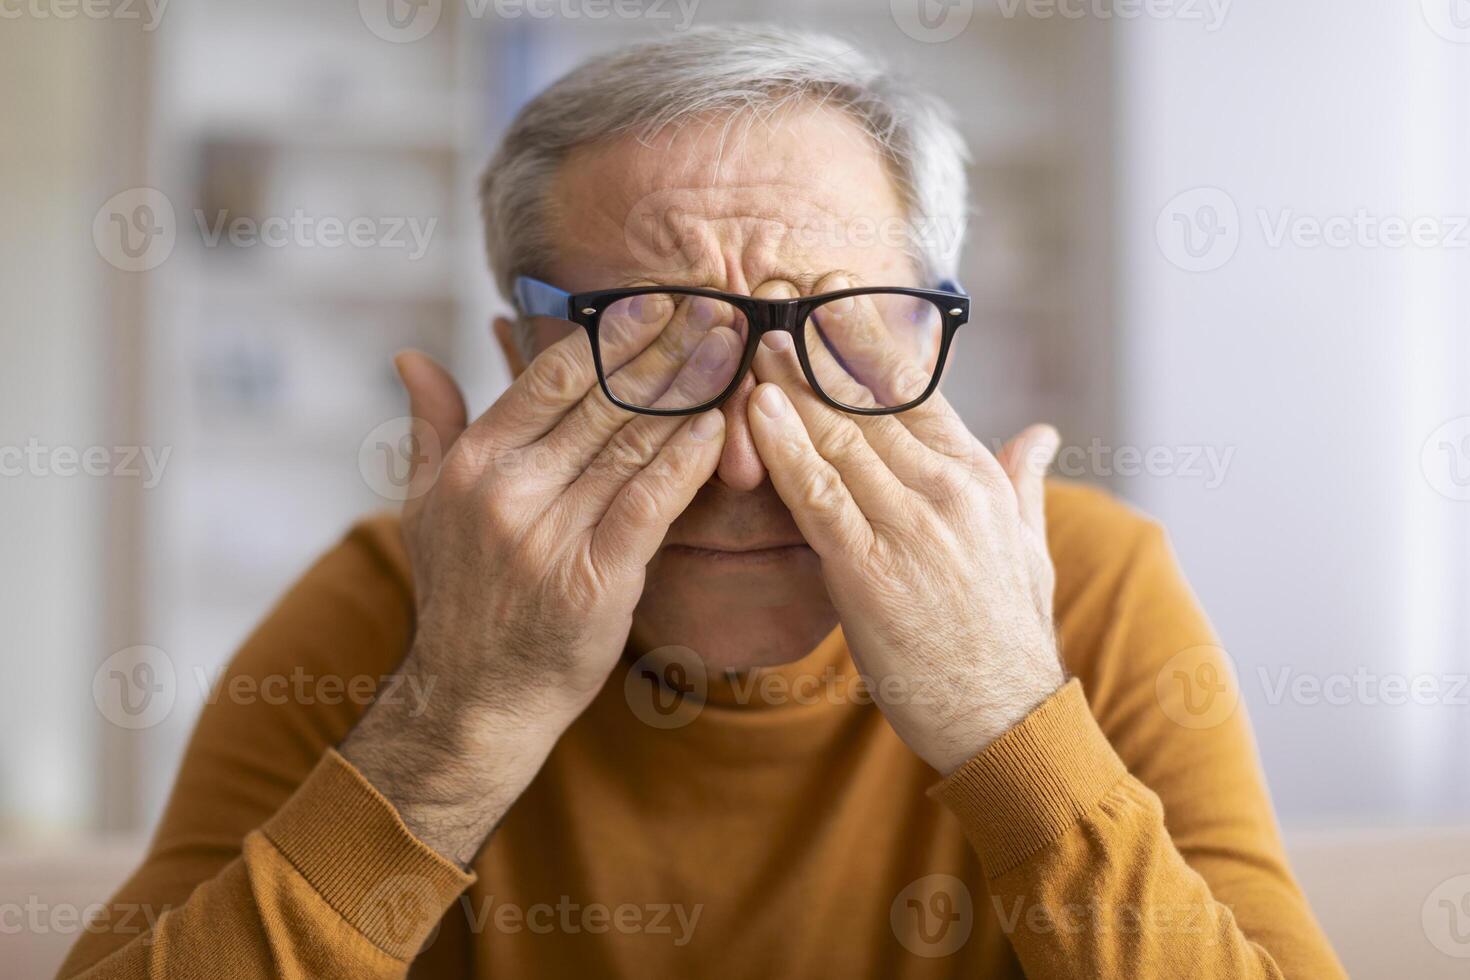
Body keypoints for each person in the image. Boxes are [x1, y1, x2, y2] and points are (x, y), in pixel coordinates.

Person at [61, 24, 1343, 979]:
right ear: (521, 365)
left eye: (835, 335)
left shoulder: (1088, 584)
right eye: (658, 345)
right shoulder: (389, 607)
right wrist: (456, 721)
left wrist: (1004, 716)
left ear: (925, 336)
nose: (744, 460)